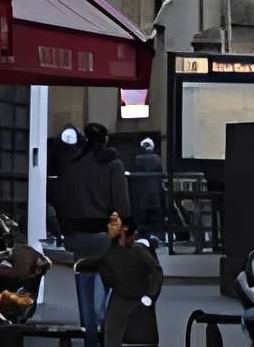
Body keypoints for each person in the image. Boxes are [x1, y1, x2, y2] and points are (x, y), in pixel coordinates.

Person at [57, 123, 130, 347]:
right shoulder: (112, 164)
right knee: (105, 277)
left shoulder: (71, 162)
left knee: (83, 276)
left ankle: (88, 330)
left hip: (73, 233)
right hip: (102, 234)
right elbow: (121, 204)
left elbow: (59, 197)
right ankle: (99, 331)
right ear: (106, 140)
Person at [82, 209, 163, 347]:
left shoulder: (138, 251)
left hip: (138, 298)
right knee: (113, 334)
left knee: (141, 336)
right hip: (120, 298)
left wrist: (150, 296)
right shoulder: (109, 250)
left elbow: (156, 272)